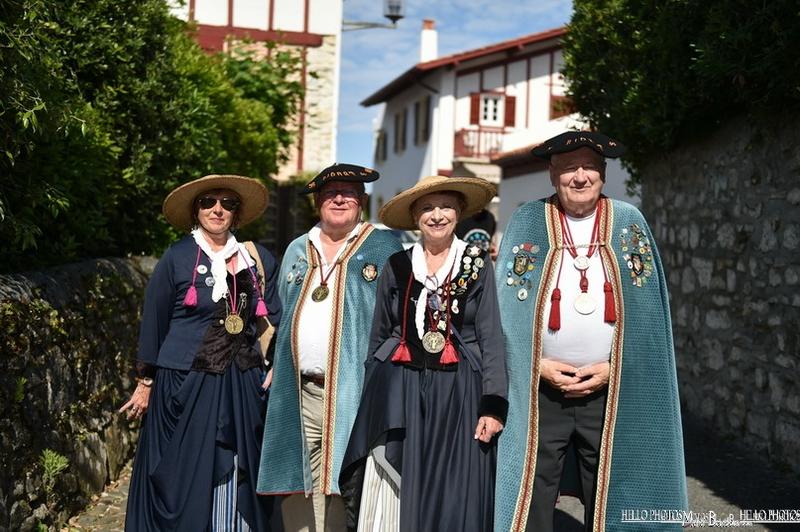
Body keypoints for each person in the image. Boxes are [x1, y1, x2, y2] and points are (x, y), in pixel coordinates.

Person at [493, 131, 688, 531]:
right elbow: (504, 312)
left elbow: (648, 320)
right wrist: (536, 364)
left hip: (611, 391)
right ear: (553, 175)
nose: (579, 177)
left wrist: (615, 367)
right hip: (539, 391)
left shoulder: (628, 222)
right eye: (569, 168)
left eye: (589, 167)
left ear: (603, 174)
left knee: (613, 492)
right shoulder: (528, 221)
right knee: (530, 497)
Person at [339, 175, 508, 531]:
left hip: (461, 393)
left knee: (455, 490)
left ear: (459, 212)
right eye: (427, 208)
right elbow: (379, 334)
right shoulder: (398, 266)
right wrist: (376, 397)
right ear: (416, 217)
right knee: (405, 486)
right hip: (404, 390)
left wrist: (493, 406)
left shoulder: (476, 263)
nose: (437, 215)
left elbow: (491, 336)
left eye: (446, 206)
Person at [120, 174, 283, 531]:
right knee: (182, 477)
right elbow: (154, 323)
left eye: (228, 203)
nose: (217, 209)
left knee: (237, 466)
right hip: (184, 382)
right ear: (196, 210)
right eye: (209, 202)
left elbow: (277, 316)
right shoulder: (177, 258)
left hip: (241, 383)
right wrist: (145, 382)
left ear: (237, 214)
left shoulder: (256, 259)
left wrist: (277, 363)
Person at [257, 163, 403, 532]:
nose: (339, 199)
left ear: (361, 201)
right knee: (297, 479)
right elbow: (281, 314)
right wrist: (274, 362)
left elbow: (399, 320)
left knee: (347, 479)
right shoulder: (297, 249)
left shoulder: (384, 247)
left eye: (348, 193)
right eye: (330, 193)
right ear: (318, 201)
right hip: (298, 389)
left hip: (356, 391)